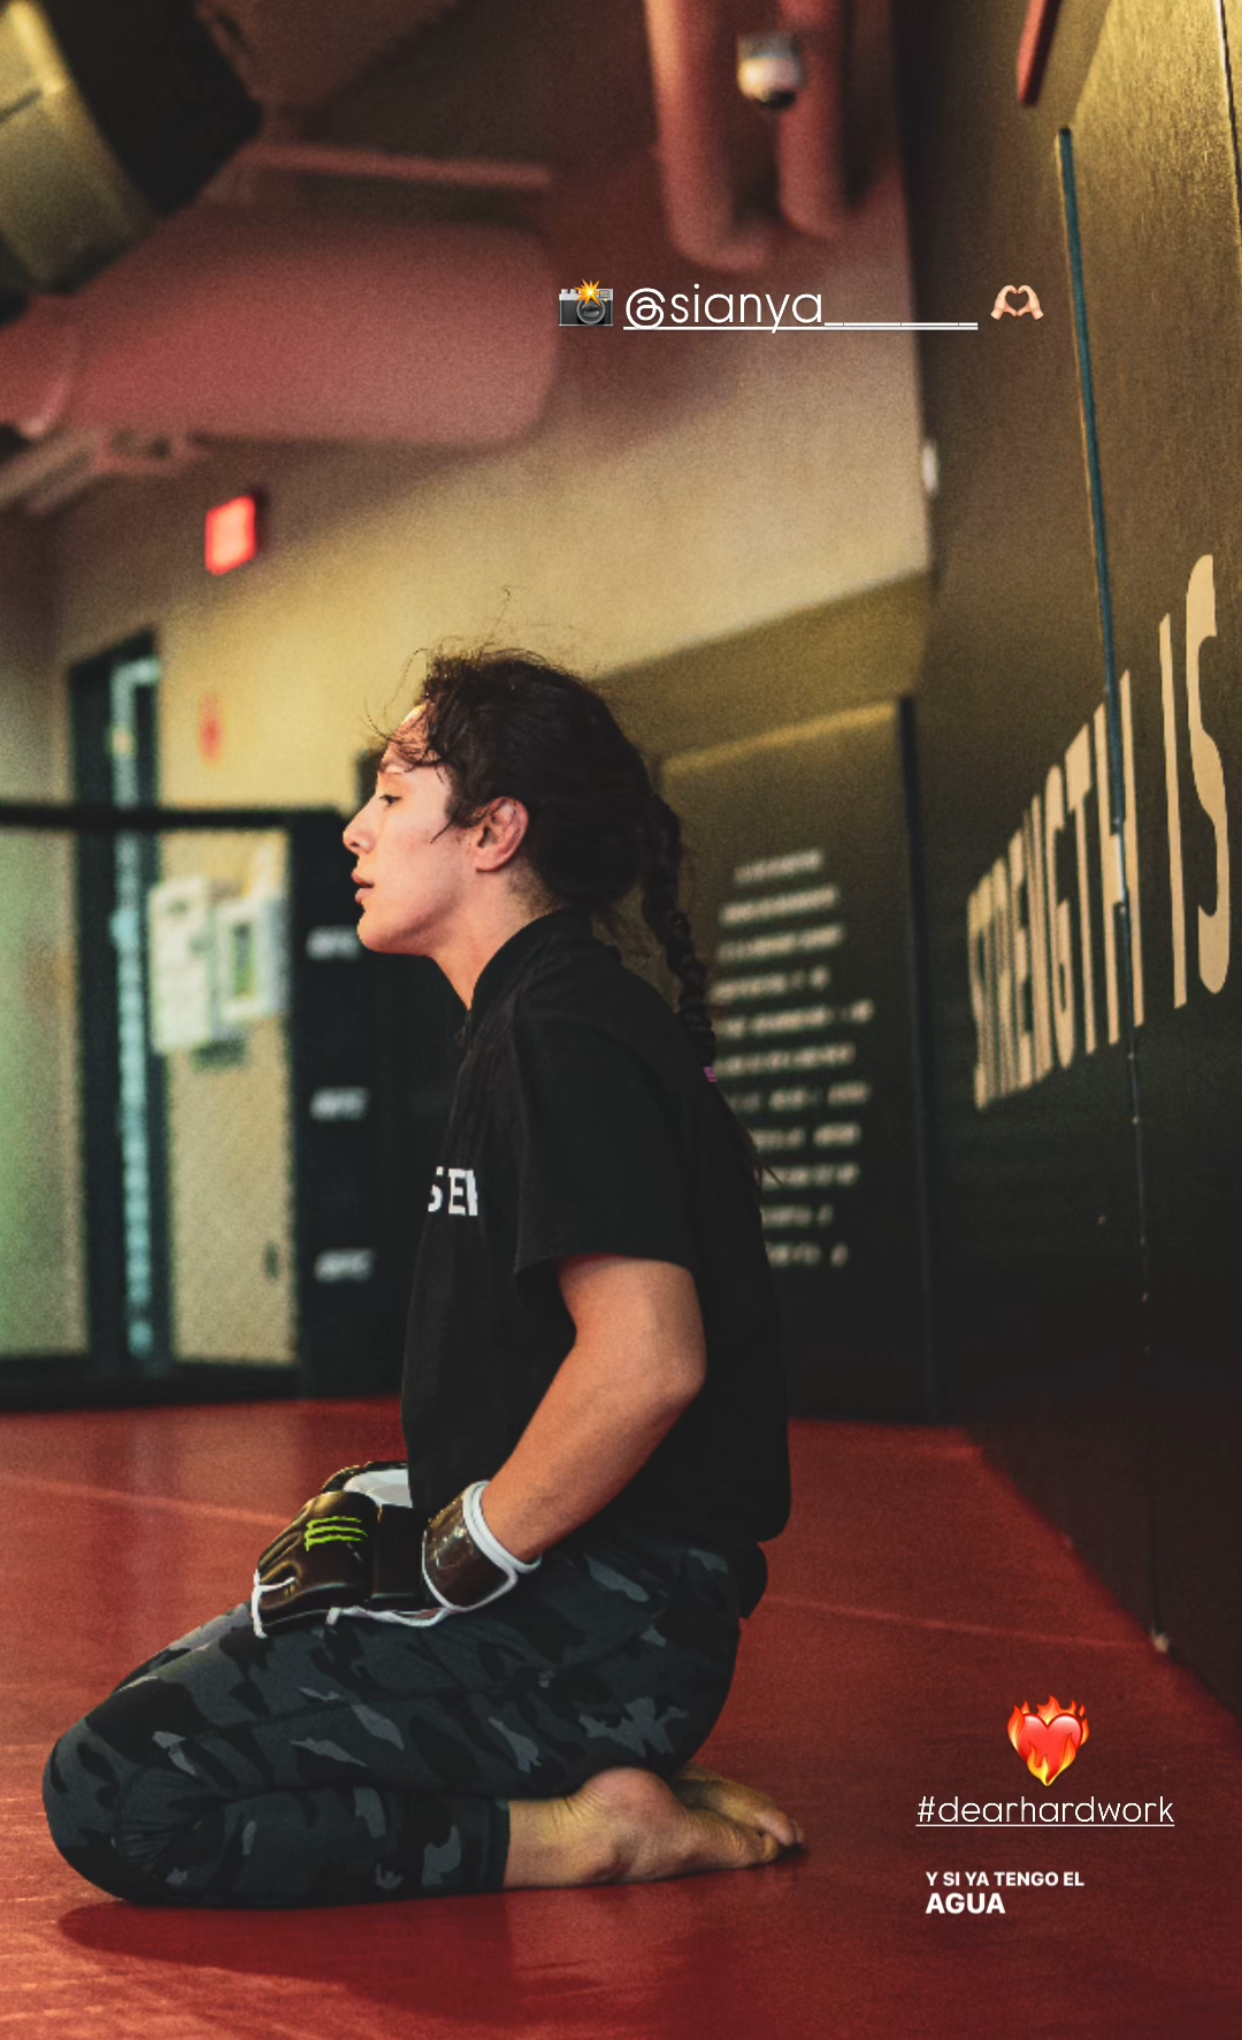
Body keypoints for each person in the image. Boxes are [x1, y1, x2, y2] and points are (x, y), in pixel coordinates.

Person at [43, 647, 802, 1907]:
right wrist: (413, 1501)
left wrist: (459, 1554)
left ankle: (592, 1829)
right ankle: (590, 1762)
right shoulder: (527, 1019)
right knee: (157, 1699)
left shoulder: (562, 1029)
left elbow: (648, 1362)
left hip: (614, 1628)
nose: (357, 829)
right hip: (590, 1610)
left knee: (113, 1791)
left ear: (495, 832)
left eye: (394, 796)